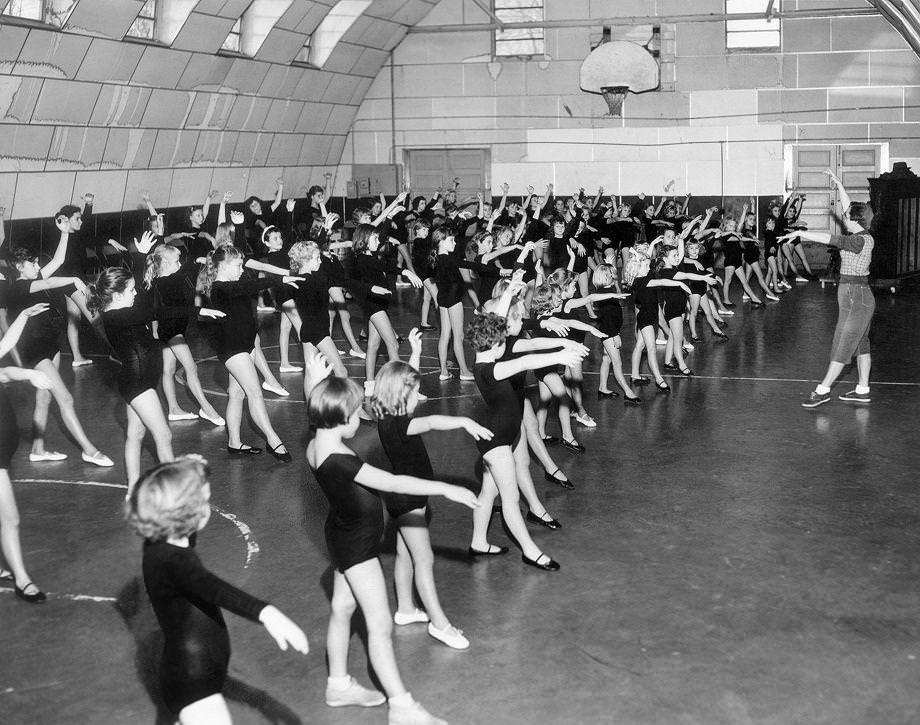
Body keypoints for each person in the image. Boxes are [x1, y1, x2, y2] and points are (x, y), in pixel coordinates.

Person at [306, 368, 478, 725]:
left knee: (342, 607)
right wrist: (447, 489)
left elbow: (319, 410)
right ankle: (402, 706)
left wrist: (315, 381)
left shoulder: (316, 444)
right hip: (357, 545)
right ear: (341, 418)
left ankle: (338, 685)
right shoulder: (342, 460)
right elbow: (393, 480)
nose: (359, 419)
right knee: (379, 624)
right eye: (355, 414)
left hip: (339, 534)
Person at [128, 456, 308, 724]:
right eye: (204, 501)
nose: (208, 507)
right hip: (192, 680)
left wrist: (187, 467)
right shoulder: (176, 562)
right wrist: (267, 613)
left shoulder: (161, 545)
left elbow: (151, 485)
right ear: (188, 513)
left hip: (198, 671)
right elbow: (214, 589)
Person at [371, 329, 490, 650]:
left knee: (405, 554)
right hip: (409, 498)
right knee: (424, 559)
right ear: (401, 396)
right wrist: (465, 422)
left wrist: (412, 352)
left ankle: (406, 609)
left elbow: (402, 381)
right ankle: (440, 624)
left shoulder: (385, 413)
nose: (417, 398)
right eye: (414, 394)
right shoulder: (401, 424)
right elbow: (433, 421)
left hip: (404, 497)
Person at [6, 226, 113, 467]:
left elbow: (59, 260)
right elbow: (52, 282)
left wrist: (64, 233)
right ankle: (89, 450)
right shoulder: (20, 287)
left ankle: (38, 448)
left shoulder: (35, 278)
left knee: (43, 398)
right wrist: (75, 279)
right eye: (31, 263)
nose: (36, 266)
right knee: (65, 398)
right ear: (19, 267)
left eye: (35, 262)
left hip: (50, 345)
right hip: (34, 350)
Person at [196, 244, 300, 461]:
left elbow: (247, 288)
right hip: (232, 348)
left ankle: (234, 443)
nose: (242, 269)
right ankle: (274, 441)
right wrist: (278, 279)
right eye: (238, 265)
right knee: (255, 393)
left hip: (245, 345)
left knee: (237, 394)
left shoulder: (235, 282)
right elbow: (247, 287)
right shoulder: (219, 288)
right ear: (223, 266)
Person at [789, 171, 876, 408]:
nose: (844, 216)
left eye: (847, 216)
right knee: (861, 344)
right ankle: (862, 390)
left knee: (843, 344)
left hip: (856, 297)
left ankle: (823, 389)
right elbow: (852, 209)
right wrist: (839, 185)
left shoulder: (857, 241)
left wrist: (800, 232)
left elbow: (830, 239)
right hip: (856, 296)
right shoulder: (861, 233)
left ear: (856, 220)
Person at [0, 302, 54, 603]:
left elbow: (3, 349)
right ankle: (21, 578)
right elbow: (6, 371)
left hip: (3, 449)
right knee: (10, 517)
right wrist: (28, 375)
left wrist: (21, 316)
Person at [143, 243, 225, 426]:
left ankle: (173, 410)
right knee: (191, 368)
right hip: (172, 331)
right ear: (164, 262)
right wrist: (198, 260)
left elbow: (184, 269)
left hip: (172, 328)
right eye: (176, 261)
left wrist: (198, 260)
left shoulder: (164, 279)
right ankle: (206, 408)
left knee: (169, 369)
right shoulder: (166, 282)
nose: (179, 264)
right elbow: (172, 305)